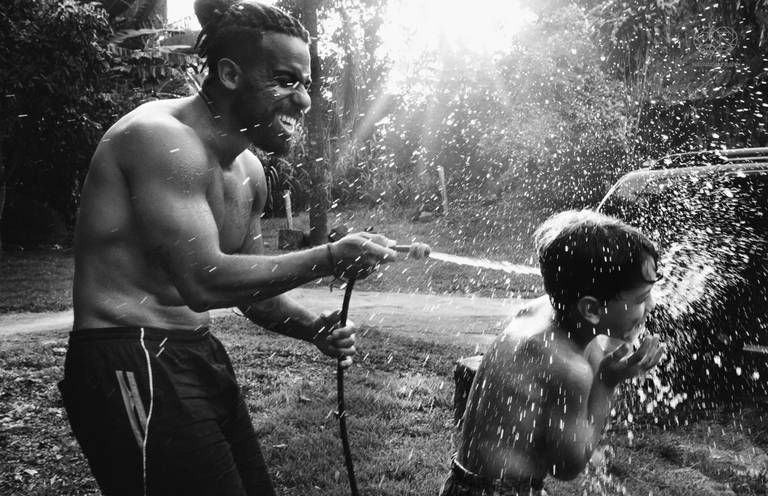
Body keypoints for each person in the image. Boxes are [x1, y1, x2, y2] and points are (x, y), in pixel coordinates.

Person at [58, 1, 402, 495]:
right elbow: (203, 280)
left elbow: (251, 290)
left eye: (306, 84)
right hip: (126, 357)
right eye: (286, 80)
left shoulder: (249, 172)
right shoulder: (160, 139)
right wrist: (329, 257)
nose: (303, 101)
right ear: (229, 73)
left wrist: (314, 329)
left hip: (197, 351)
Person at [440, 210, 666, 496]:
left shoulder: (542, 311)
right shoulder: (569, 368)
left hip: (464, 485)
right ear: (592, 309)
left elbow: (592, 340)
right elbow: (567, 466)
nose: (652, 305)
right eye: (641, 298)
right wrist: (607, 382)